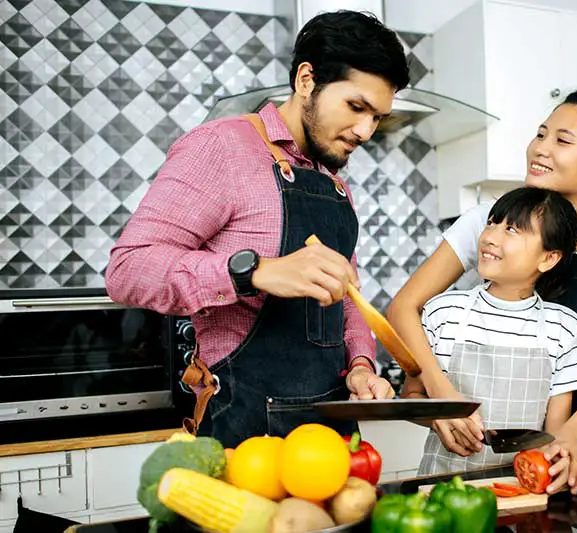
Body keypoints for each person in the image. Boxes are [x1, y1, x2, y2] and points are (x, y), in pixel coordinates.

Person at [105, 10, 411, 449]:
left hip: (330, 435)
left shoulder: (334, 182)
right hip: (242, 434)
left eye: (377, 117)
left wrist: (361, 365)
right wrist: (252, 272)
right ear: (306, 79)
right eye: (356, 107)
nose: (365, 131)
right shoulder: (220, 147)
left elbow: (347, 298)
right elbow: (127, 272)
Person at [387, 89, 577, 493]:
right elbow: (404, 307)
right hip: (481, 447)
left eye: (562, 141)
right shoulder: (489, 220)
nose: (540, 149)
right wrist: (442, 396)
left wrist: (570, 436)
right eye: (541, 134)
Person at [405, 187, 577, 475]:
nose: (490, 236)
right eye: (491, 223)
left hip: (522, 489)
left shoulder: (565, 329)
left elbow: (553, 434)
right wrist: (438, 417)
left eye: (513, 230)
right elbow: (411, 397)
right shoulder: (443, 312)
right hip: (442, 486)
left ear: (549, 258)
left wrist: (559, 466)